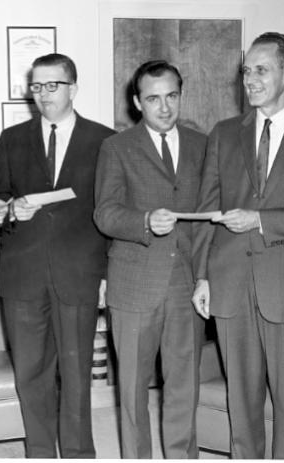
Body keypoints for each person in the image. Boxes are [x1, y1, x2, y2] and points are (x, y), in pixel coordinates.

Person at [192, 32, 284, 459]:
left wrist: (260, 220)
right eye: (246, 71)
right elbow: (207, 209)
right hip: (232, 288)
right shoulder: (223, 133)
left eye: (261, 69)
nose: (249, 80)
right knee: (243, 408)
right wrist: (201, 275)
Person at [0, 53, 115, 458]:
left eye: (52, 85)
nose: (42, 94)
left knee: (77, 374)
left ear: (73, 88)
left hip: (78, 273)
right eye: (36, 86)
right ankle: (40, 453)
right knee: (31, 374)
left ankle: (78, 454)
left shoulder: (105, 141)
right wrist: (9, 209)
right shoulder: (11, 139)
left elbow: (112, 211)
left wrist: (108, 274)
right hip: (22, 275)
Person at [94, 60, 207, 458]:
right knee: (133, 390)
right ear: (137, 102)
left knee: (183, 387)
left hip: (185, 284)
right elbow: (105, 213)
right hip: (134, 282)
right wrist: (144, 221)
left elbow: (210, 216)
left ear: (180, 95)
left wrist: (205, 277)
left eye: (171, 96)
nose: (164, 107)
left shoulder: (202, 144)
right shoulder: (116, 147)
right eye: (153, 98)